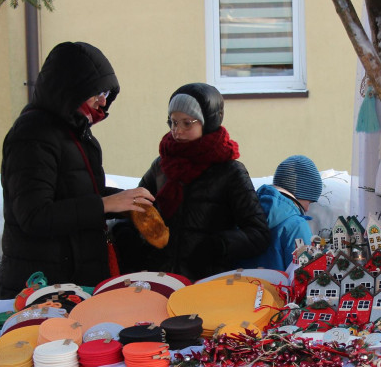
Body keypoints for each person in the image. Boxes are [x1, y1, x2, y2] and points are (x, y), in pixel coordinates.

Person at [0, 42, 154, 298]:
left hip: (72, 281)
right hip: (43, 288)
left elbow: (77, 192)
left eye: (107, 92)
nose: (103, 100)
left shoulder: (73, 132)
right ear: (72, 87)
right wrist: (106, 204)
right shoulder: (32, 135)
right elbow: (34, 216)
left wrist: (127, 201)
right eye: (98, 91)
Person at [115, 83, 270, 281]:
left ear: (208, 122)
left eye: (187, 123)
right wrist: (131, 239)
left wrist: (218, 245)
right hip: (161, 279)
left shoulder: (230, 171)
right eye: (172, 122)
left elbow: (258, 234)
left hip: (207, 282)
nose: (176, 131)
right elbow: (138, 208)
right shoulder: (162, 165)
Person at [238, 155, 321, 272]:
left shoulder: (243, 213)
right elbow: (304, 276)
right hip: (277, 289)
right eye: (310, 201)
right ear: (301, 193)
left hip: (237, 287)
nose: (307, 209)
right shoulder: (296, 225)